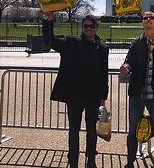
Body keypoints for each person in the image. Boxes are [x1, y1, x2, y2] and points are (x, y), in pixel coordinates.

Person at [42, 12, 109, 168]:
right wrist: (48, 21)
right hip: (74, 95)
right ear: (82, 27)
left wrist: (104, 96)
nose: (89, 29)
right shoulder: (72, 43)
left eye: (92, 26)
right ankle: (73, 161)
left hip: (93, 95)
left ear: (97, 28)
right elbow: (50, 41)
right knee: (74, 130)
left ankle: (91, 159)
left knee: (92, 131)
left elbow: (103, 74)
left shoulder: (103, 48)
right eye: (86, 26)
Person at [119, 11, 154, 168]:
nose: (148, 20)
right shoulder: (136, 43)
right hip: (137, 93)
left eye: (151, 18)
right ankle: (130, 162)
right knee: (132, 130)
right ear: (142, 23)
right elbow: (128, 61)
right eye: (145, 18)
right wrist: (126, 67)